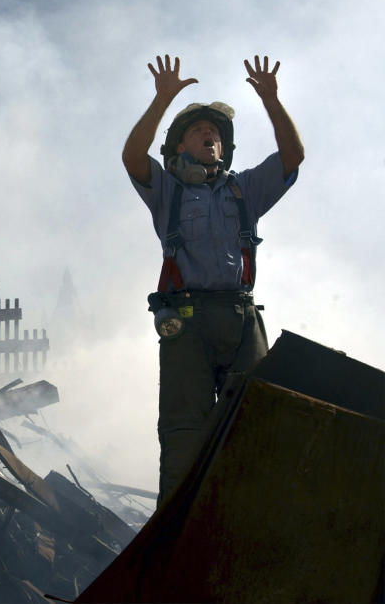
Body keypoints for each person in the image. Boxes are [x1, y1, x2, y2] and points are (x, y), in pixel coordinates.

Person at [122, 54, 304, 505]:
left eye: (217, 134)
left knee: (259, 428)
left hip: (242, 319)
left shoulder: (244, 189)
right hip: (188, 324)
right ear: (179, 147)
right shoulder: (167, 190)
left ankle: (254, 529)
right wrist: (162, 99)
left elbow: (292, 156)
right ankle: (174, 542)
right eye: (200, 131)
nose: (211, 135)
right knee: (184, 439)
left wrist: (272, 101)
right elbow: (131, 157)